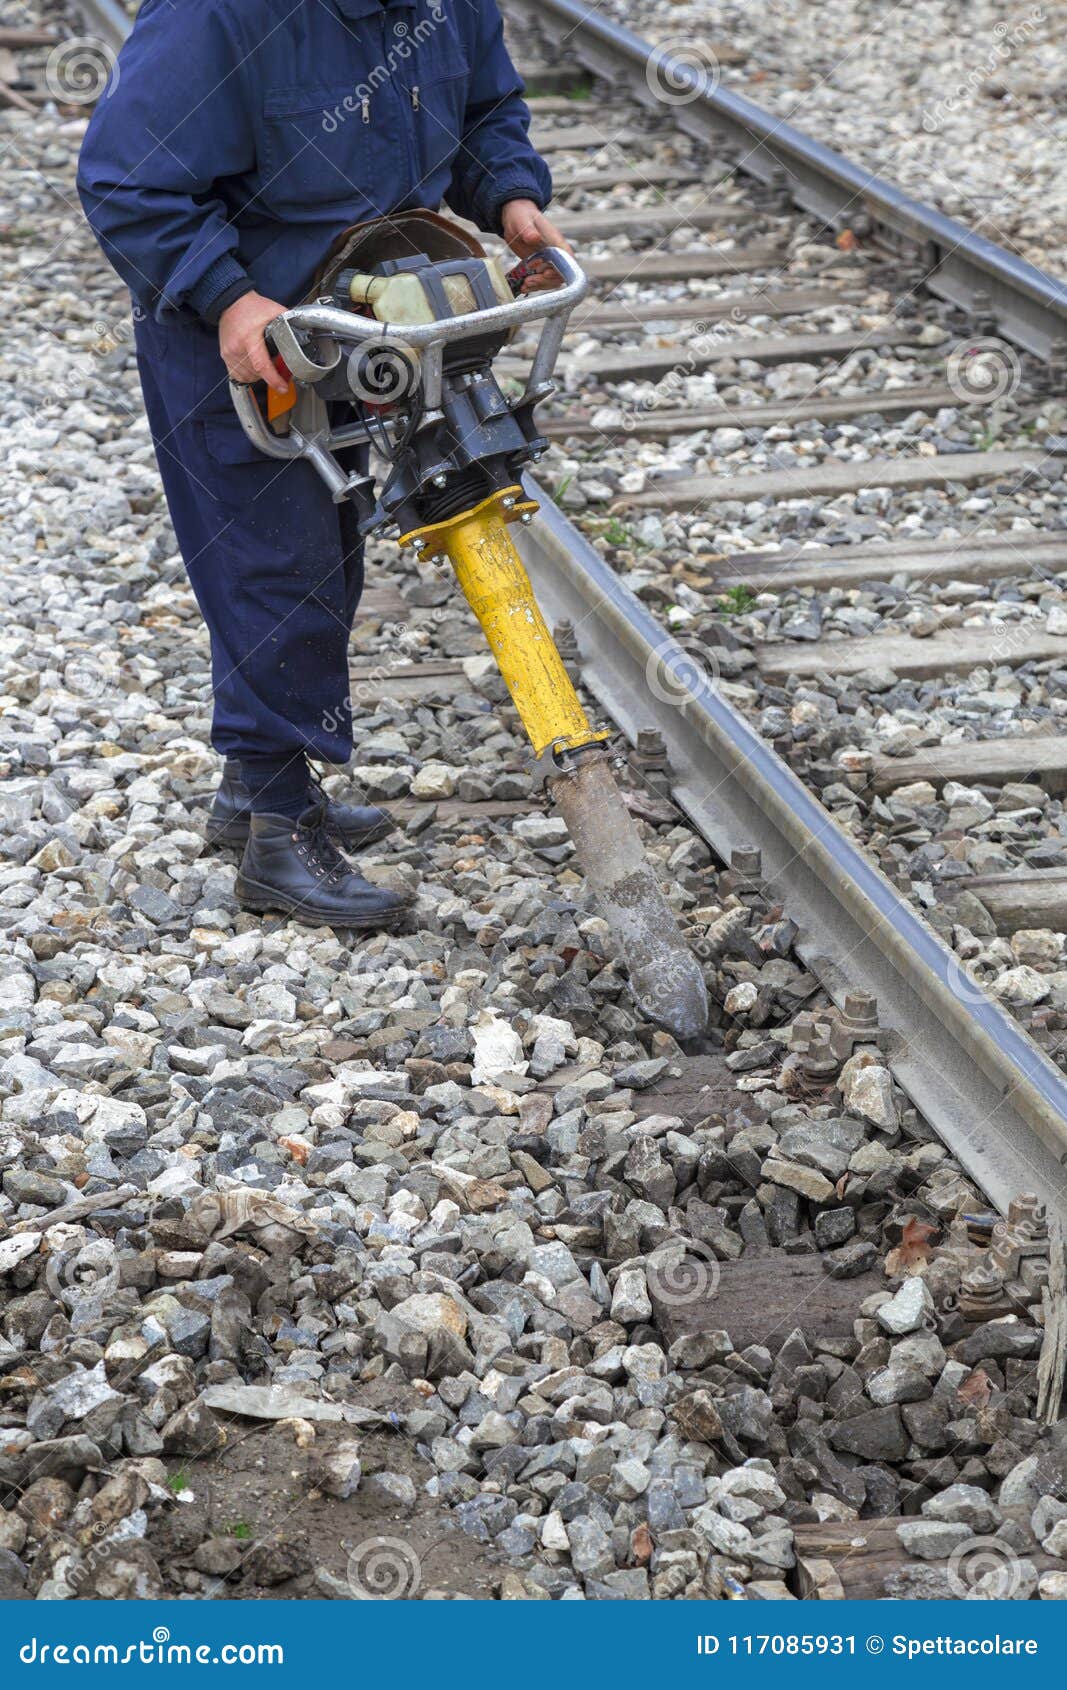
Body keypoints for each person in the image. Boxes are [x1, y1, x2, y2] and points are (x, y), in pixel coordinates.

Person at [77, 0, 569, 928]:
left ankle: (252, 785)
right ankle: (274, 838)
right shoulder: (216, 16)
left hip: (360, 315)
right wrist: (226, 297)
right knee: (273, 559)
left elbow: (486, 113)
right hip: (241, 332)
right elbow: (126, 179)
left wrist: (510, 196)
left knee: (326, 546)